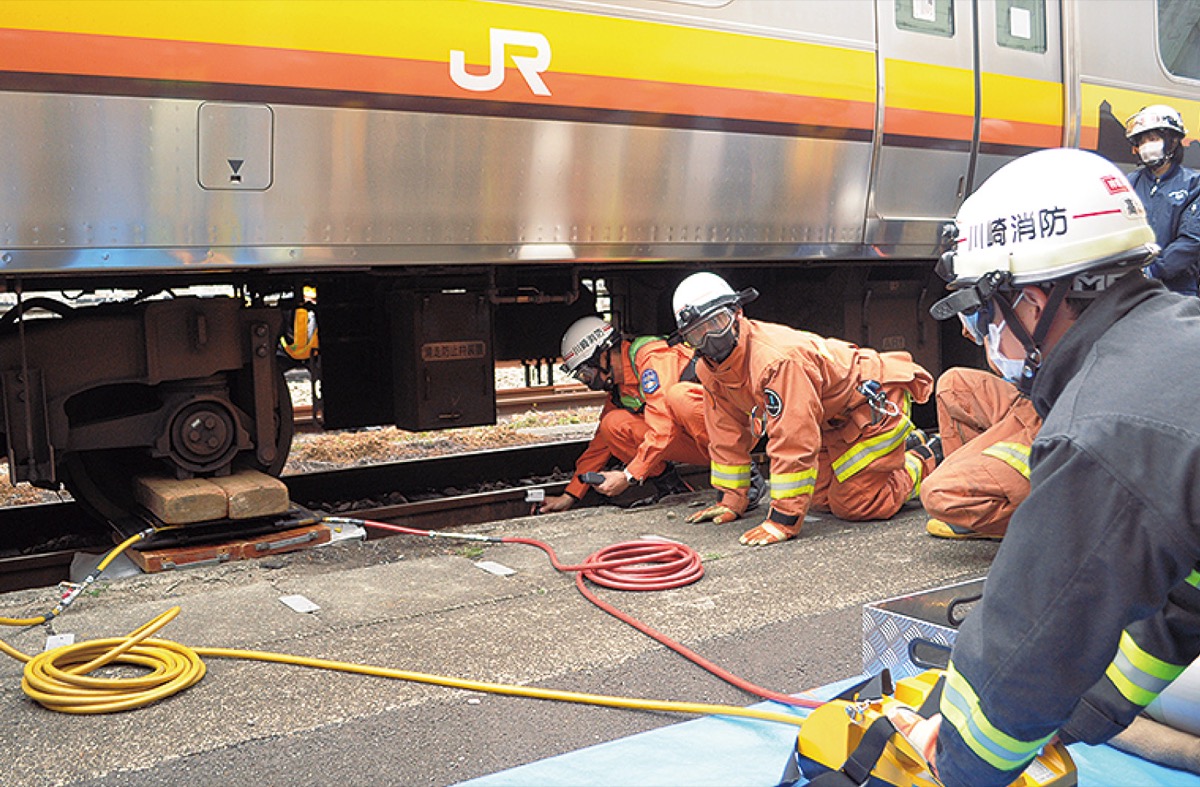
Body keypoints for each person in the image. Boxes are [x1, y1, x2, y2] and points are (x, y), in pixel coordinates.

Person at [886, 147, 1200, 787]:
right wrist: (1076, 711)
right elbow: (1183, 604)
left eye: (981, 309)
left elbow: (1032, 641)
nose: (980, 333)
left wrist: (962, 759)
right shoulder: (1174, 342)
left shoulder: (1106, 428)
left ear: (1031, 301)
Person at [671, 272, 937, 547]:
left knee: (856, 505)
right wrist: (731, 500)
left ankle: (927, 457)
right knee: (820, 500)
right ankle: (897, 454)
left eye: (717, 323)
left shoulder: (776, 361)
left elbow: (793, 439)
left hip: (869, 407)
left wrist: (783, 520)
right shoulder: (710, 370)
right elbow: (725, 434)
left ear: (738, 313)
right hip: (827, 420)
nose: (710, 338)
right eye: (697, 333)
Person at [537, 316, 711, 513]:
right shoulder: (622, 392)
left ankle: (743, 473)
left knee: (678, 399)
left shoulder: (652, 356)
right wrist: (569, 496)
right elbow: (598, 447)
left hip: (728, 433)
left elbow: (665, 425)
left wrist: (628, 475)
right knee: (613, 425)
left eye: (587, 374)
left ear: (603, 356)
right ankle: (672, 490)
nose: (589, 382)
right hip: (701, 443)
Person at [919, 365, 1041, 540]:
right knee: (953, 384)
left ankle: (1033, 519)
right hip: (1033, 403)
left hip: (1052, 422)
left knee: (938, 494)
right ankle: (974, 505)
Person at [1124, 104, 1200, 296]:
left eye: (1153, 139)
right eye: (1142, 141)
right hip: (1132, 285)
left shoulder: (1193, 184)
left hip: (1177, 289)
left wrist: (1155, 270)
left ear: (1173, 141)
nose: (1147, 146)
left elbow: (1191, 240)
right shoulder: (1129, 182)